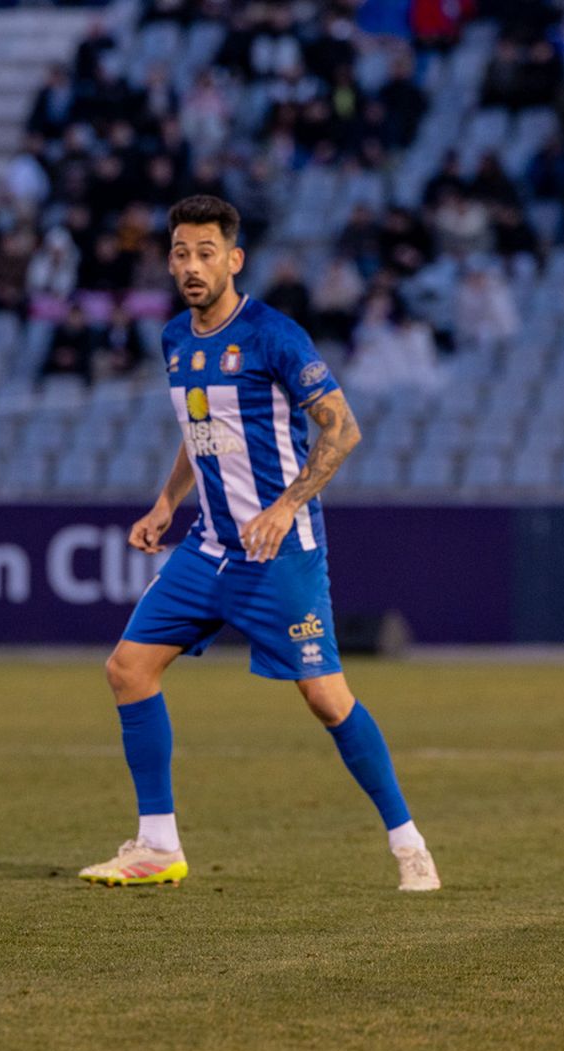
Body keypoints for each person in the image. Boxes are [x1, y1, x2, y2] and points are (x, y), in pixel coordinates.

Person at [78, 195, 439, 893]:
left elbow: (342, 429)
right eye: (180, 252)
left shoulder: (275, 335)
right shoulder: (175, 339)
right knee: (127, 668)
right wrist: (165, 501)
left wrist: (284, 506)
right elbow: (200, 430)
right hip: (209, 548)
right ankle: (157, 843)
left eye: (206, 252)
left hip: (281, 552)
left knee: (328, 700)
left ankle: (409, 842)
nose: (191, 265)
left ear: (234, 259)